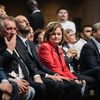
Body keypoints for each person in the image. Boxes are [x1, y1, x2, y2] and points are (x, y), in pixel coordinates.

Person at [38, 22, 86, 100]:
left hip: (61, 76)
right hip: (51, 76)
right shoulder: (45, 47)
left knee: (79, 83)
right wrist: (70, 79)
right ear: (48, 35)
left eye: (59, 34)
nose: (56, 36)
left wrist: (74, 78)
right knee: (75, 86)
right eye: (53, 34)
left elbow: (64, 68)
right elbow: (52, 67)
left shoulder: (59, 48)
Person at [0, 16, 35, 100]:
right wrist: (9, 50)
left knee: (33, 89)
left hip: (18, 77)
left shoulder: (16, 41)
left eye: (15, 29)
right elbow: (1, 65)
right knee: (15, 87)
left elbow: (28, 61)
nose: (13, 32)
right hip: (8, 77)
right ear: (0, 30)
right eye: (9, 29)